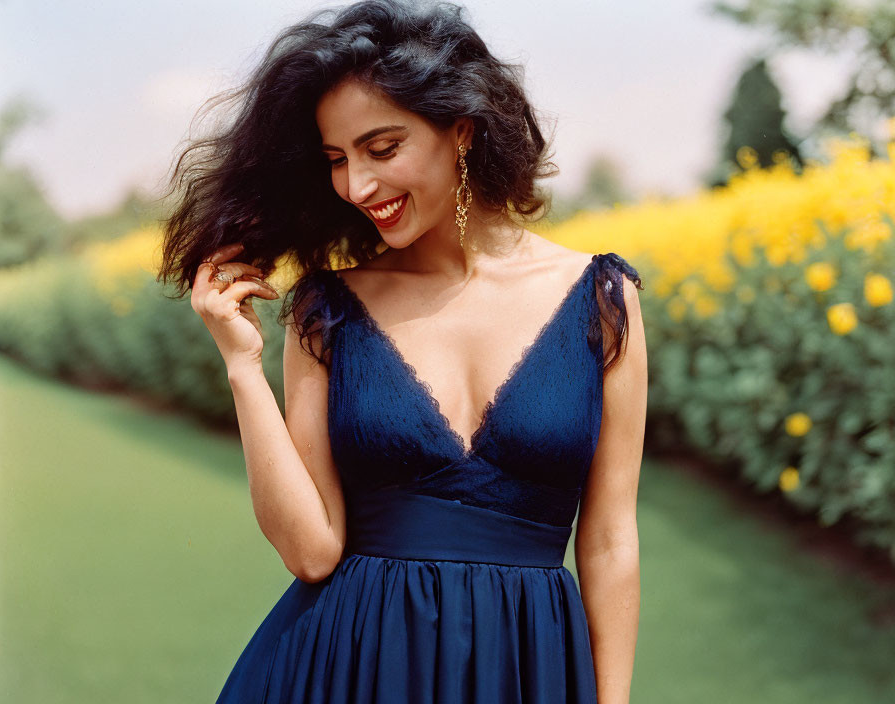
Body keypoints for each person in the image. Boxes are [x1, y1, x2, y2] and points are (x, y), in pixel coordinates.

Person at [157, 0, 647, 701]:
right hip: (348, 669)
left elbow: (609, 542)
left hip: (526, 667)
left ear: (462, 132)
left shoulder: (602, 299)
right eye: (337, 160)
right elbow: (311, 550)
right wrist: (241, 367)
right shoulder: (327, 312)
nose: (357, 187)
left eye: (382, 149)